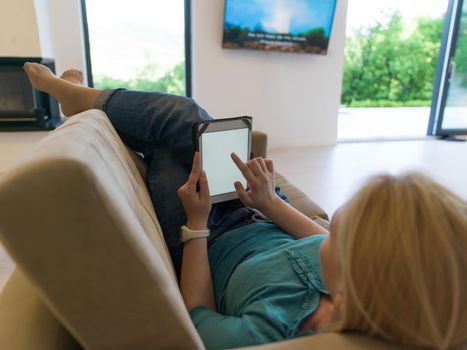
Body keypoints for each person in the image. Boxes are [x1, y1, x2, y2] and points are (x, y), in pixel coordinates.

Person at [24, 62, 467, 350]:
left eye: (342, 237)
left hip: (202, 235)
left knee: (177, 130)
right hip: (251, 211)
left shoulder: (270, 329)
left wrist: (197, 222)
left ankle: (79, 104)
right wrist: (269, 202)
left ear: (356, 274)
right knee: (199, 131)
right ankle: (84, 103)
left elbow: (197, 317)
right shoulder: (357, 280)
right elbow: (323, 237)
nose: (329, 234)